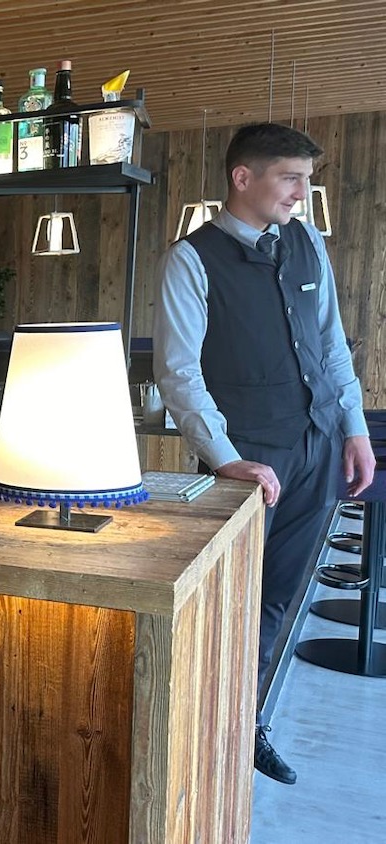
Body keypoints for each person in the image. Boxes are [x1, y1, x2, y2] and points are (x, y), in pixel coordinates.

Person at [154, 122, 373, 786]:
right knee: (227, 600)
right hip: (249, 462)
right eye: (290, 178)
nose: (303, 193)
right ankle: (201, 739)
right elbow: (178, 372)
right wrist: (222, 457)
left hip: (318, 447)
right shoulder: (190, 260)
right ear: (242, 178)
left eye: (308, 179)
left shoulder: (307, 244)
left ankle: (246, 726)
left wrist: (355, 427)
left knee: (280, 597)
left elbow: (333, 346)